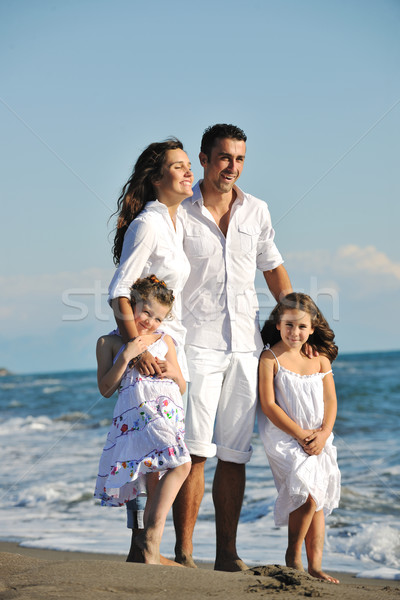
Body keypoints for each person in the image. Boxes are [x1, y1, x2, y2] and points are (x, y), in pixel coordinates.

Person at [173, 124, 293, 571]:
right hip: (196, 346)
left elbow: (274, 269)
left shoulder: (256, 210)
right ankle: (184, 553)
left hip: (245, 347)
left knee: (235, 455)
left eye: (240, 159)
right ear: (203, 159)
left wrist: (301, 327)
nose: (232, 167)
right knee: (193, 452)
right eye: (224, 158)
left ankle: (227, 553)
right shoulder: (179, 211)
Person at [107, 139, 193, 561]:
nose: (188, 171)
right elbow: (119, 291)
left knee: (159, 456)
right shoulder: (149, 224)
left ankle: (142, 547)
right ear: (158, 178)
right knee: (166, 455)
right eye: (178, 166)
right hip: (149, 355)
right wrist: (135, 348)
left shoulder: (175, 224)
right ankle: (149, 543)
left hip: (167, 352)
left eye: (189, 164)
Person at [94, 275, 191, 565]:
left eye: (158, 318)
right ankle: (150, 539)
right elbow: (105, 389)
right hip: (138, 420)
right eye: (146, 312)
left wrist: (173, 373)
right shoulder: (108, 342)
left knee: (154, 482)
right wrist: (127, 356)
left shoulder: (166, 341)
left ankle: (150, 547)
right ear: (130, 304)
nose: (150, 321)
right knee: (182, 464)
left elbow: (182, 386)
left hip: (168, 417)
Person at [257, 293, 341, 584]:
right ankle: (293, 555)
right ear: (278, 325)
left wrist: (324, 433)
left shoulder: (318, 359)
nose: (295, 332)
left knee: (317, 499)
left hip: (318, 439)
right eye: (289, 325)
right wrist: (301, 434)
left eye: (302, 327)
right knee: (305, 495)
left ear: (313, 327)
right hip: (285, 437)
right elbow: (268, 405)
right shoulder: (270, 358)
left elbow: (331, 400)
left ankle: (315, 565)